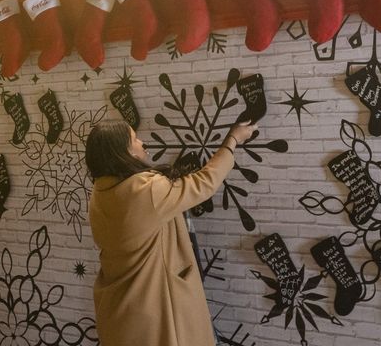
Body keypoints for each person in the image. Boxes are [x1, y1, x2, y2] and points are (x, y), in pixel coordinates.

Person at [86, 118, 258, 346]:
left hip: (120, 313)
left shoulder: (99, 193)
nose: (142, 142)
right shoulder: (145, 191)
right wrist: (233, 140)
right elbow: (204, 183)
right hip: (154, 311)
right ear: (123, 153)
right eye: (134, 139)